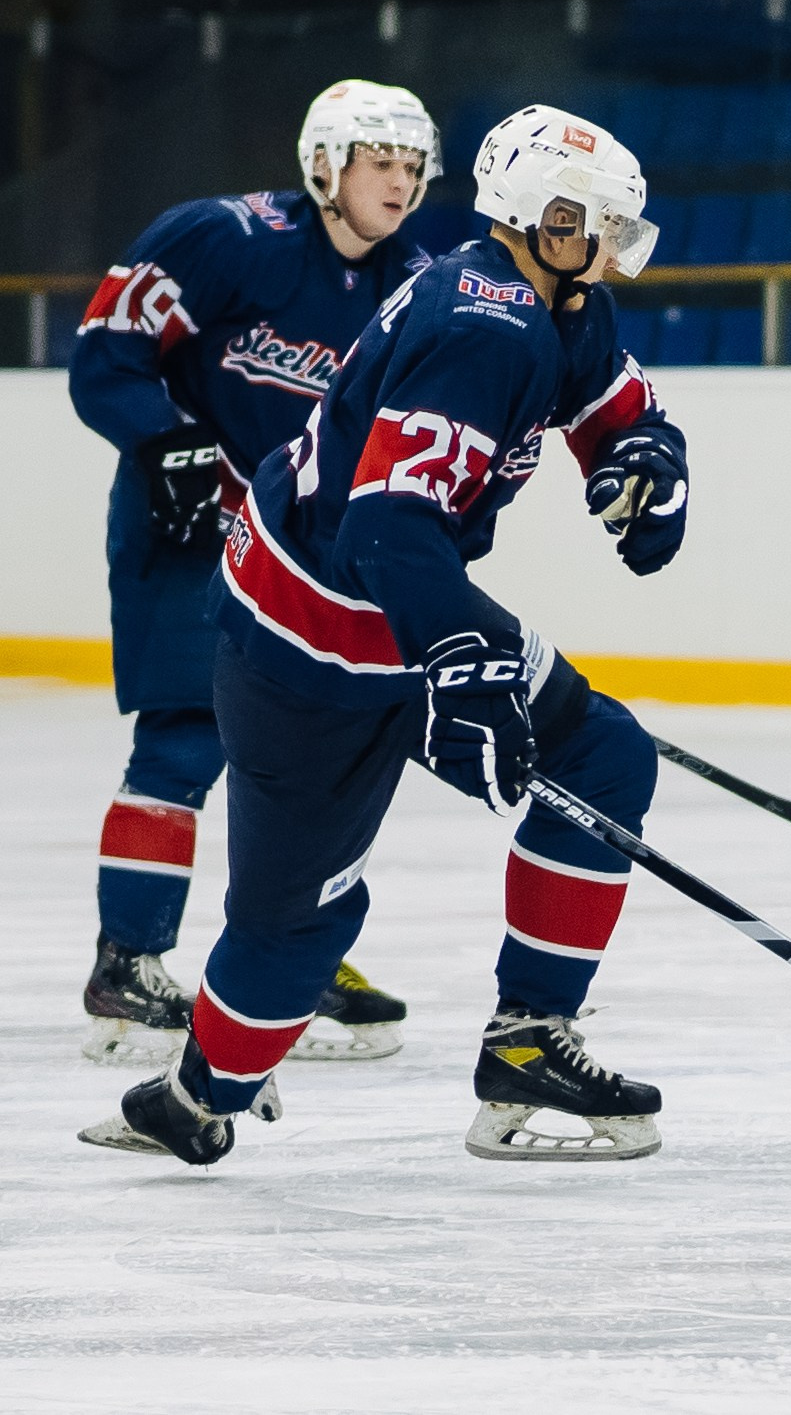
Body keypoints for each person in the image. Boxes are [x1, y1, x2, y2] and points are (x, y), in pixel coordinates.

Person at [78, 104, 692, 1167]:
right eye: (593, 222)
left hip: (402, 609)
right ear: (541, 218)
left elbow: (611, 404)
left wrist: (645, 457)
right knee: (297, 932)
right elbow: (386, 525)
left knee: (604, 755)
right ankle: (194, 1094)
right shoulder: (478, 324)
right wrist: (463, 663)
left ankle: (529, 1037)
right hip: (303, 643)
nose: (606, 248)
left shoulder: (559, 300)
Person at [66, 81, 437, 1069]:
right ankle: (129, 960)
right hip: (190, 526)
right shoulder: (222, 237)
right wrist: (166, 444)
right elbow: (105, 356)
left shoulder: (420, 282)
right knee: (187, 739)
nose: (398, 181)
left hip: (307, 550)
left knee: (315, 760)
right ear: (325, 165)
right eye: (378, 160)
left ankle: (285, 957)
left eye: (411, 164)